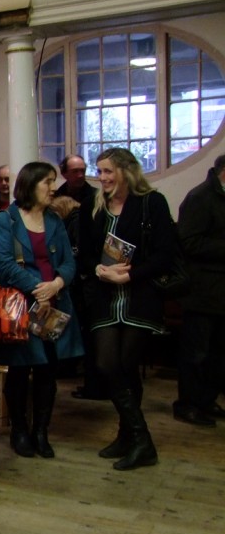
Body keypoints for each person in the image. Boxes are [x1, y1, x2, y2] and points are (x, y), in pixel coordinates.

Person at [78, 147, 174, 471]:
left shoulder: (152, 203)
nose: (102, 178)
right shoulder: (96, 208)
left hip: (141, 297)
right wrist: (99, 270)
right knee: (107, 363)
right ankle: (139, 438)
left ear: (125, 172)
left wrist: (130, 273)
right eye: (99, 171)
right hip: (106, 298)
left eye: (108, 171)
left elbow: (165, 254)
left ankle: (131, 436)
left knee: (127, 364)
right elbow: (87, 253)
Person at [0, 162, 84, 458]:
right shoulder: (5, 220)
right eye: (47, 182)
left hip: (54, 305)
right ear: (30, 185)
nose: (53, 188)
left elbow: (69, 261)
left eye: (54, 181)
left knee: (47, 373)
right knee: (18, 372)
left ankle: (41, 431)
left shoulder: (55, 220)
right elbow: (3, 265)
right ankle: (19, 430)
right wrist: (37, 288)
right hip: (21, 308)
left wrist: (55, 284)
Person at [173, 154, 225, 426]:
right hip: (202, 291)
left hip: (220, 290)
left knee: (217, 352)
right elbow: (189, 242)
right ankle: (188, 403)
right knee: (196, 352)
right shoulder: (201, 197)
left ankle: (206, 399)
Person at [55, 154, 103, 400]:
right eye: (75, 170)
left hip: (86, 275)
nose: (80, 174)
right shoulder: (58, 195)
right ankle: (67, 366)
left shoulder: (95, 197)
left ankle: (91, 378)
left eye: (83, 169)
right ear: (64, 173)